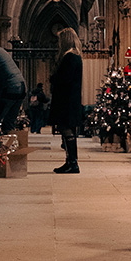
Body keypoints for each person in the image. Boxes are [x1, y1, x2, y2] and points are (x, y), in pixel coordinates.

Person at [49, 27, 84, 174]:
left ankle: (73, 163)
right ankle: (69, 161)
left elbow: (64, 79)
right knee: (67, 131)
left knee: (67, 130)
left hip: (66, 101)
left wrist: (53, 78)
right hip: (70, 100)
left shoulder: (69, 57)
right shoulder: (75, 57)